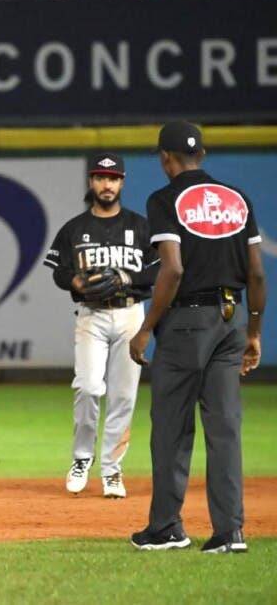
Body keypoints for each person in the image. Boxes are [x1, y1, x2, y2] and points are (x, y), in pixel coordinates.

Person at [129, 121, 266, 553]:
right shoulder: (236, 199)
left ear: (165, 159)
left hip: (187, 321)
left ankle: (166, 527)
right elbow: (257, 274)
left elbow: (172, 269)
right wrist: (254, 331)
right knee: (225, 427)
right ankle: (230, 532)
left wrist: (146, 328)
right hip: (232, 318)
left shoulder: (164, 199)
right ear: (201, 155)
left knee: (171, 425)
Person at [44, 153, 159, 499]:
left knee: (123, 395)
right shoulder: (74, 229)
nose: (106, 184)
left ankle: (112, 469)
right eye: (100, 177)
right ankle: (82, 458)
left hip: (130, 314)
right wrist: (75, 282)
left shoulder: (140, 226)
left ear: (121, 182)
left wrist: (126, 277)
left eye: (113, 178)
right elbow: (58, 271)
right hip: (91, 315)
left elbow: (159, 269)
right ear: (91, 182)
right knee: (88, 387)